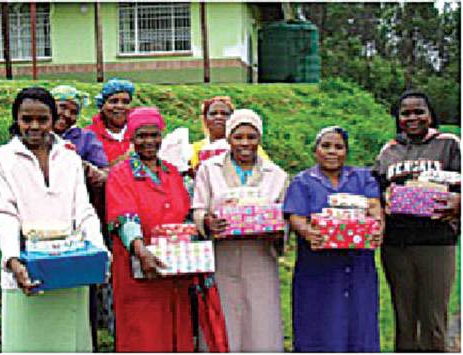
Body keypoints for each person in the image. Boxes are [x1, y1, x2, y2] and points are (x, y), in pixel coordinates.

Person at [0, 87, 107, 352]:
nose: (34, 126)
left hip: (72, 268)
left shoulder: (69, 158)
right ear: (16, 119)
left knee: (70, 342)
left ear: (53, 120)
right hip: (26, 271)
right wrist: (13, 259)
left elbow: (84, 210)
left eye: (42, 120)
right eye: (26, 119)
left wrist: (99, 252)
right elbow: (2, 214)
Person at [192, 109, 288, 351]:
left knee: (261, 317)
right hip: (222, 256)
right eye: (238, 137)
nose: (245, 143)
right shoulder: (208, 169)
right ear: (228, 138)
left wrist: (278, 231)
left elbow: (284, 217)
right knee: (224, 316)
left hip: (260, 256)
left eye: (251, 137)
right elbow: (198, 209)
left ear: (260, 139)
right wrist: (207, 222)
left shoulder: (276, 175)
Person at [373, 90, 460, 352]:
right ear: (398, 118)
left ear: (431, 115)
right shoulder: (389, 150)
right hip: (396, 243)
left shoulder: (449, 143)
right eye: (405, 113)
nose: (412, 118)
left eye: (419, 111)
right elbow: (375, 189)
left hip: (436, 241)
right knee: (404, 315)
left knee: (433, 316)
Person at [283, 126, 383, 352]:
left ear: (346, 152)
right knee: (317, 318)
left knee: (360, 317)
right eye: (325, 146)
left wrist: (377, 228)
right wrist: (309, 233)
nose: (332, 151)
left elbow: (375, 207)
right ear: (315, 150)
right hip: (318, 265)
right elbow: (296, 216)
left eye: (338, 147)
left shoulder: (362, 178)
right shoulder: (303, 181)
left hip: (357, 264)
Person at [105, 107, 194, 352]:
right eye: (142, 136)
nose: (149, 142)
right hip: (138, 266)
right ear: (131, 139)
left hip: (175, 268)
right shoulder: (120, 174)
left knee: (175, 325)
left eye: (154, 135)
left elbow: (185, 214)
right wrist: (140, 249)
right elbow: (125, 218)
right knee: (143, 330)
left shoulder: (172, 173)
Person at [51, 84, 109, 351]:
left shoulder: (85, 140)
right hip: (46, 224)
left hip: (80, 220)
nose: (66, 115)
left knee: (83, 289)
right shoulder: (36, 135)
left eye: (73, 111)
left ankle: (86, 344)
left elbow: (105, 175)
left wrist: (85, 168)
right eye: (61, 107)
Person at [190, 96, 269, 170]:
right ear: (205, 119)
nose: (219, 117)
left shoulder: (249, 146)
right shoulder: (195, 149)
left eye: (224, 114)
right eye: (213, 113)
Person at [86, 78, 135, 165]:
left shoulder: (138, 132)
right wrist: (127, 157)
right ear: (102, 105)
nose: (120, 106)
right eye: (113, 101)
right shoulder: (88, 137)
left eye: (125, 102)